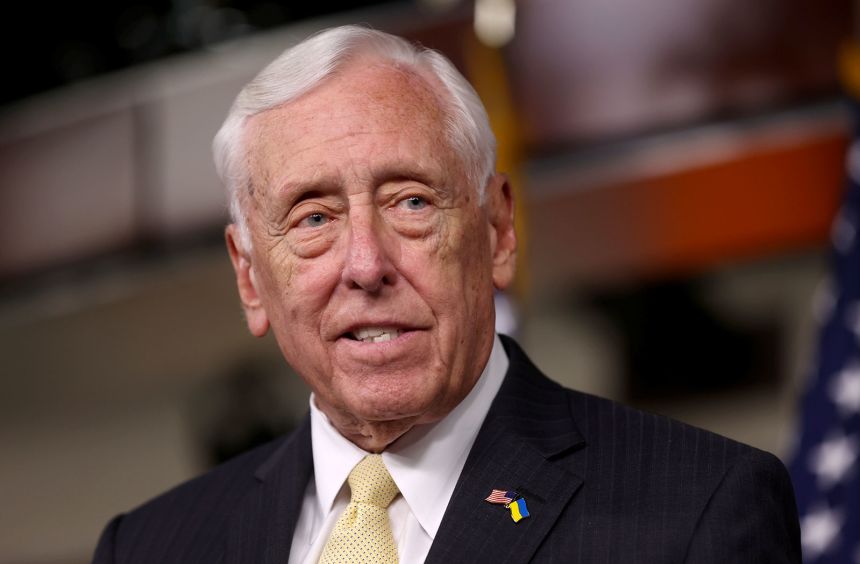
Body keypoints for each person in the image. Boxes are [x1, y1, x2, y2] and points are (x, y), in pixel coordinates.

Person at [92, 25, 801, 563]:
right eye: (313, 218)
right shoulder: (150, 546)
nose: (366, 264)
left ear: (496, 231)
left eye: (411, 202)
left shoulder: (699, 510)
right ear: (250, 276)